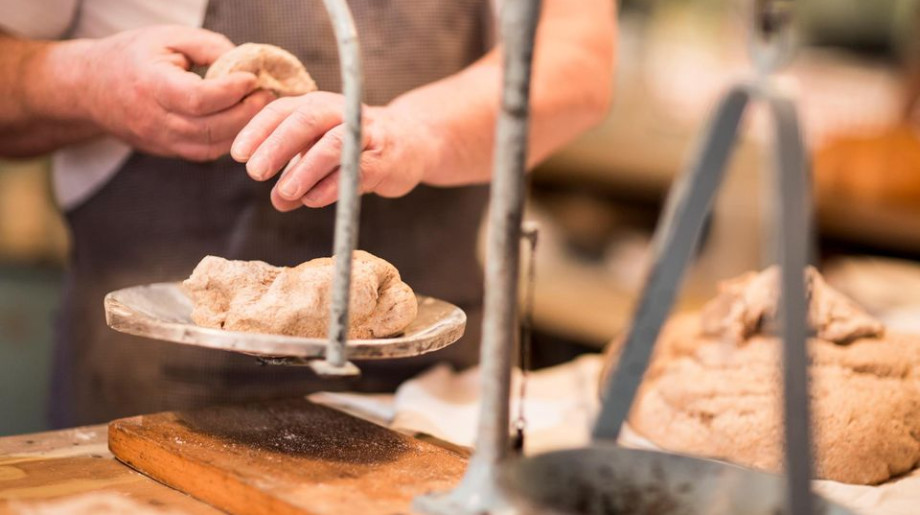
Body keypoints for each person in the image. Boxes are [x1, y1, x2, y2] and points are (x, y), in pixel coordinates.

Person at [0, 0, 615, 428]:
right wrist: (83, 82)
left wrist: (417, 133)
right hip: (155, 389)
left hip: (433, 390)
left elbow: (576, 58)